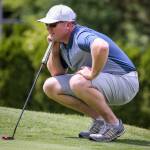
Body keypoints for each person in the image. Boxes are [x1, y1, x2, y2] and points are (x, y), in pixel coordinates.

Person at [38, 4, 139, 142]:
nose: (49, 29)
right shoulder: (62, 43)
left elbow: (101, 46)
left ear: (68, 25)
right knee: (50, 86)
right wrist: (54, 49)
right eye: (47, 25)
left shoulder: (80, 35)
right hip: (106, 82)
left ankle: (114, 125)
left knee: (78, 81)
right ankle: (100, 120)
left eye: (53, 25)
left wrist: (92, 74)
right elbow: (57, 73)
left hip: (125, 81)